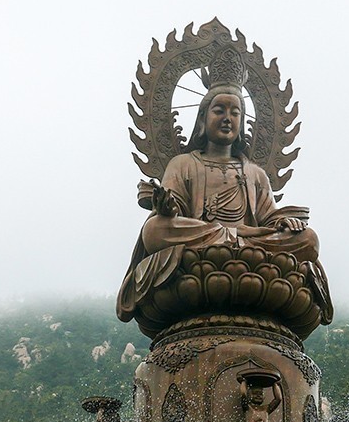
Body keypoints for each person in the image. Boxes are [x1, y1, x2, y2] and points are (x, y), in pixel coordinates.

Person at [117, 50, 326, 322]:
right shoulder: (183, 164)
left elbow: (268, 218)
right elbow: (172, 211)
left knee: (309, 240)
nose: (227, 118)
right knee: (154, 230)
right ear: (203, 118)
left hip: (236, 246)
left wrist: (285, 223)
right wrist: (165, 205)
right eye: (219, 110)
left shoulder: (254, 173)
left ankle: (234, 242)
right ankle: (232, 242)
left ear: (242, 122)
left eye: (235, 112)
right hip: (209, 243)